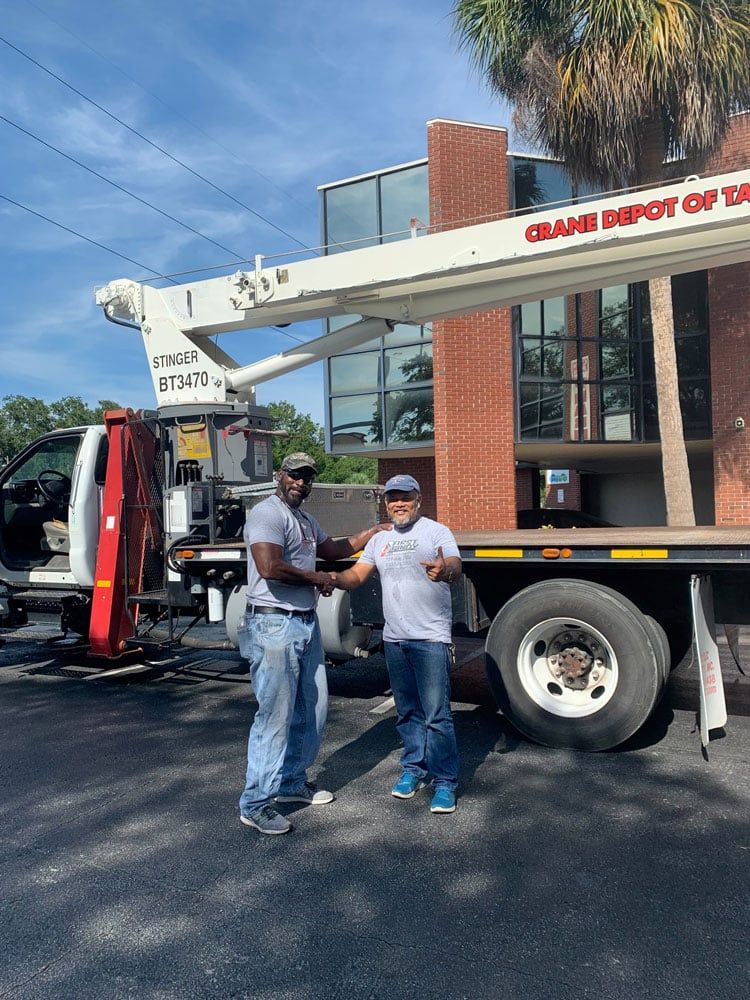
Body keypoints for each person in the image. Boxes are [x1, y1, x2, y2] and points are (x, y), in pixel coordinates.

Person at [238, 451, 391, 835]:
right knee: (274, 715)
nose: (300, 482)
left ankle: (291, 783)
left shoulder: (304, 520)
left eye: (307, 477)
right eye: (294, 475)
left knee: (314, 707)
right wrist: (317, 578)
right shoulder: (267, 514)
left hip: (303, 625)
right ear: (279, 475)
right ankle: (255, 802)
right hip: (274, 626)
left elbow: (335, 550)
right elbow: (269, 567)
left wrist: (371, 533)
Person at [331, 474, 462, 814]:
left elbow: (454, 564)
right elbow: (357, 576)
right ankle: (412, 770)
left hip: (430, 638)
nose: (398, 503)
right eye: (393, 498)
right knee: (407, 713)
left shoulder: (436, 531)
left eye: (405, 497)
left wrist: (444, 571)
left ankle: (445, 782)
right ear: (386, 502)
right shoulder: (380, 540)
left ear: (418, 498)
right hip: (395, 639)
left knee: (437, 716)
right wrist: (329, 579)